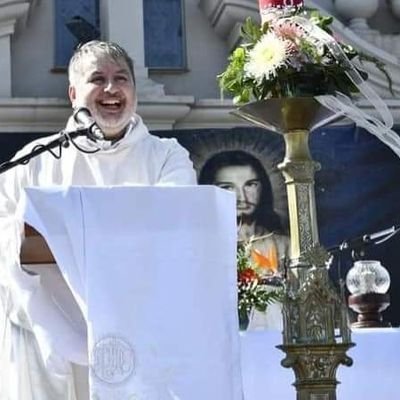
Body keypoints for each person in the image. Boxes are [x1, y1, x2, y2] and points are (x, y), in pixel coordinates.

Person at [0, 41, 196, 400]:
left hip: (143, 340)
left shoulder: (166, 158)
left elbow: (176, 219)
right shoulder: (34, 163)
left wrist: (67, 226)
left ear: (134, 91)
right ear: (74, 93)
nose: (111, 89)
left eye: (121, 78)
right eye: (98, 79)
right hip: (54, 342)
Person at [199, 150, 289, 329]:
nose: (242, 197)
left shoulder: (286, 245)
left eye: (250, 185)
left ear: (262, 188)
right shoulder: (201, 249)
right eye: (227, 187)